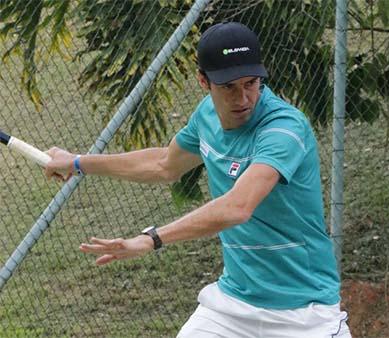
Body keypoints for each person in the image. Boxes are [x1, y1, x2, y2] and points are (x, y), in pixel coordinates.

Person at [45, 22, 351, 338]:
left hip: (303, 313)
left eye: (251, 83)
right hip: (233, 304)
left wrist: (151, 239)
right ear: (203, 81)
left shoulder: (283, 128)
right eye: (229, 87)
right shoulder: (206, 116)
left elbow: (238, 207)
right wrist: (79, 162)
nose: (243, 97)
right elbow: (164, 164)